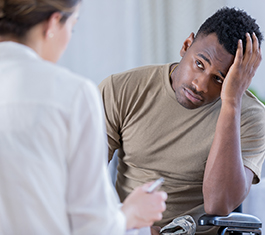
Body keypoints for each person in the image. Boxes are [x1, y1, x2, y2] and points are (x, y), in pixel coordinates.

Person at [98, 7, 265, 235]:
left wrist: (231, 102)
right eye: (200, 64)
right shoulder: (121, 89)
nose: (200, 85)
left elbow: (218, 205)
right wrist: (123, 222)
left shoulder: (252, 118)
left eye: (219, 79)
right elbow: (83, 178)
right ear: (186, 45)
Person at [0, 0, 167, 234]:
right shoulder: (72, 94)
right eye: (73, 26)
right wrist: (130, 214)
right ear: (54, 22)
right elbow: (92, 227)